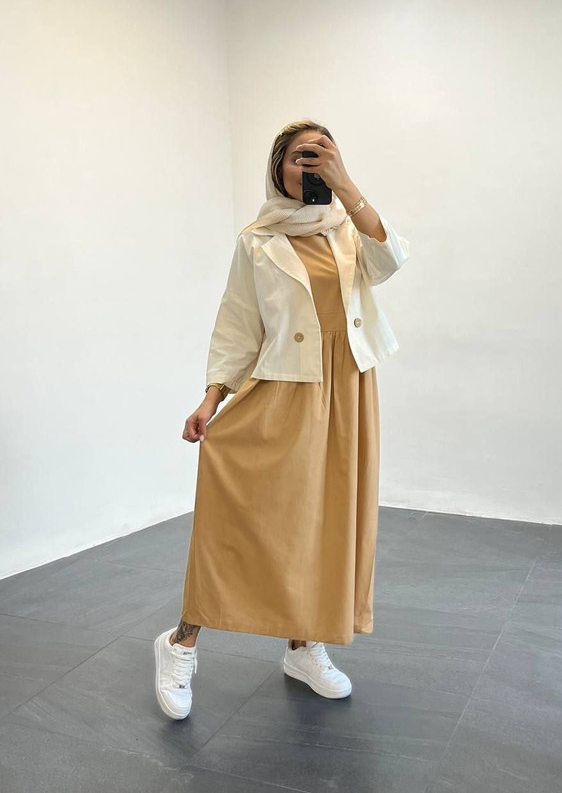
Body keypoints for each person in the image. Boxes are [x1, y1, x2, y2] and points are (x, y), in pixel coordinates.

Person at [154, 119, 410, 720]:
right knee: (241, 517)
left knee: (326, 523)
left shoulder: (348, 226)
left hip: (348, 390)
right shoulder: (257, 240)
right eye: (301, 157)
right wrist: (211, 397)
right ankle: (180, 642)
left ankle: (303, 646)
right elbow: (238, 323)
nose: (311, 166)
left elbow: (391, 260)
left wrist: (346, 185)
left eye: (323, 155)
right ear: (278, 167)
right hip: (284, 390)